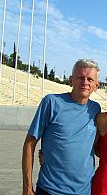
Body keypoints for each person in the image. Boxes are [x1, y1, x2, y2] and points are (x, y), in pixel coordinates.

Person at [22, 59, 101, 195]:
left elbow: (95, 146)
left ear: (96, 86)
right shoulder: (51, 102)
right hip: (50, 190)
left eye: (90, 79)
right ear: (71, 80)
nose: (85, 82)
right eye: (80, 77)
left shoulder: (95, 109)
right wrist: (27, 187)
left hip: (85, 191)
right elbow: (29, 143)